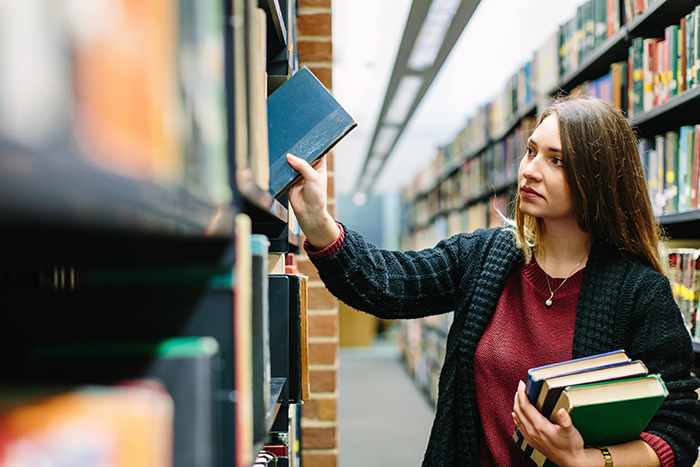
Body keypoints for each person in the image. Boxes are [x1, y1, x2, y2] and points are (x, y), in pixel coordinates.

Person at [285, 96, 700, 467]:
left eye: (556, 160)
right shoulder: (484, 256)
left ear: (598, 178)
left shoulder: (638, 292)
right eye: (531, 151)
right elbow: (389, 284)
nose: (530, 171)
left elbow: (677, 428)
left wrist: (590, 461)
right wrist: (319, 223)